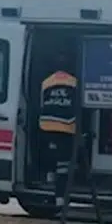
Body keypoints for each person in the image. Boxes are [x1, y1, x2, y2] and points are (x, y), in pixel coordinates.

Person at [38, 54, 80, 188]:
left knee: (51, 153)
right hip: (66, 126)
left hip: (47, 125)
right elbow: (78, 106)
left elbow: (42, 104)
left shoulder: (46, 82)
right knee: (64, 159)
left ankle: (50, 176)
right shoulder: (74, 82)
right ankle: (61, 187)